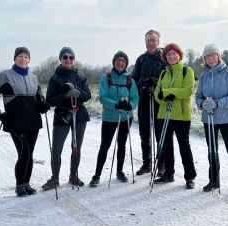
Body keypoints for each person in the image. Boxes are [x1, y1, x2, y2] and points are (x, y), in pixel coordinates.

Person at [0, 47, 49, 197]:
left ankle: (26, 183)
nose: (23, 59)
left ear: (29, 60)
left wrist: (43, 105)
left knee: (30, 154)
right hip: (15, 121)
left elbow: (40, 98)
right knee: (24, 153)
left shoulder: (34, 78)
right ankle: (19, 185)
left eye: (26, 57)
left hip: (32, 121)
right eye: (20, 56)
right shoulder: (5, 76)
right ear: (15, 58)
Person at [195, 43, 228, 198]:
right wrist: (202, 104)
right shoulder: (204, 76)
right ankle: (214, 181)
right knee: (212, 152)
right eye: (207, 56)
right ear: (204, 59)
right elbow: (198, 97)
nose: (210, 58)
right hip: (209, 119)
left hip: (226, 119)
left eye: (213, 55)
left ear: (218, 56)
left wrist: (218, 103)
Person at [42, 47, 91, 190]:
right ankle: (55, 178)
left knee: (76, 147)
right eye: (65, 57)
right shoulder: (55, 78)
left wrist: (78, 92)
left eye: (71, 57)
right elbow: (49, 101)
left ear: (74, 60)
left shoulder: (81, 77)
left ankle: (73, 176)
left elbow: (87, 96)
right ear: (60, 59)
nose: (68, 59)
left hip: (79, 115)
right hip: (62, 116)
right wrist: (64, 95)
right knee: (56, 149)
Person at [89, 51, 138, 187]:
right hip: (110, 117)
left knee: (121, 144)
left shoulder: (130, 80)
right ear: (114, 62)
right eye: (118, 60)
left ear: (126, 63)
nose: (120, 62)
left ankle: (120, 171)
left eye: (123, 60)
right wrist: (115, 104)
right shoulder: (106, 78)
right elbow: (103, 97)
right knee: (105, 145)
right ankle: (97, 174)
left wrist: (130, 105)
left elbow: (135, 98)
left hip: (125, 117)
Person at [153, 43, 197, 189]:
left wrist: (169, 93)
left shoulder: (187, 71)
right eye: (168, 54)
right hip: (164, 114)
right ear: (165, 57)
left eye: (174, 54)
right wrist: (165, 95)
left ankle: (190, 177)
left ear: (179, 55)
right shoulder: (163, 73)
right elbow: (157, 94)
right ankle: (168, 174)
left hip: (181, 116)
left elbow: (187, 91)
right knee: (166, 146)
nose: (171, 56)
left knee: (184, 146)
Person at [131, 29, 167, 176]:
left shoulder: (164, 58)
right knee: (144, 134)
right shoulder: (140, 60)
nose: (150, 43)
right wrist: (143, 84)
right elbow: (134, 79)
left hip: (160, 100)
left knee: (160, 133)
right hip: (144, 99)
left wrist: (157, 82)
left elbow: (169, 79)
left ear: (158, 41)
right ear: (145, 42)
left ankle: (162, 165)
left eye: (153, 40)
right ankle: (147, 163)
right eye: (148, 41)